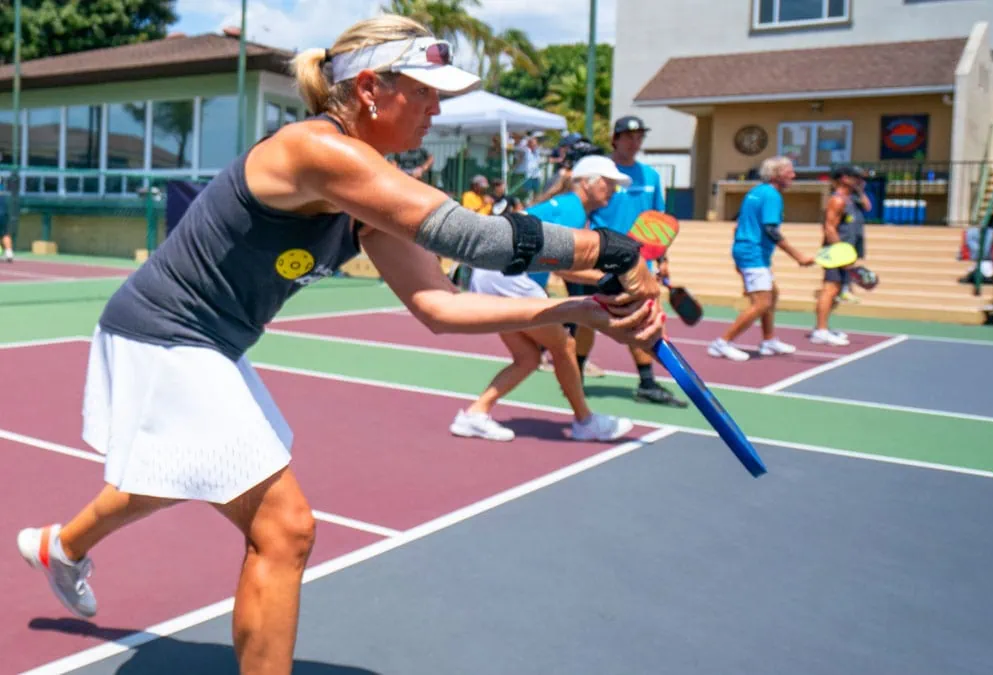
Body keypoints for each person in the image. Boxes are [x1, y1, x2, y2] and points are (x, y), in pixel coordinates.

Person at [15, 15, 663, 675]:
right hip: (165, 332)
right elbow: (476, 238)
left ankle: (59, 546)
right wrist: (615, 252)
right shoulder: (317, 150)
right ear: (373, 88)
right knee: (285, 529)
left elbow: (438, 304)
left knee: (189, 469)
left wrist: (580, 306)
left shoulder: (367, 187)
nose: (438, 109)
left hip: (208, 341)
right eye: (427, 90)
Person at [453, 155, 636, 441]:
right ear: (587, 183)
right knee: (564, 344)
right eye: (609, 183)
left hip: (492, 274)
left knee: (527, 357)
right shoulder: (572, 210)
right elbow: (563, 267)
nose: (613, 190)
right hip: (509, 277)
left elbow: (561, 265)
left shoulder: (567, 207)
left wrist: (604, 278)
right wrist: (607, 279)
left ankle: (475, 414)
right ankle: (585, 421)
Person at [584, 115, 686, 407]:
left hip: (640, 263)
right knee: (585, 320)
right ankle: (575, 374)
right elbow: (586, 211)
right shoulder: (601, 172)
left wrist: (663, 258)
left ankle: (647, 382)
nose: (635, 141)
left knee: (643, 319)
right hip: (601, 255)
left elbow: (659, 222)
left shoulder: (651, 177)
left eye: (639, 136)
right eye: (629, 136)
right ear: (615, 138)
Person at [707, 157, 814, 361]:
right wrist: (798, 256)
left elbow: (738, 225)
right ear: (776, 175)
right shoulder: (772, 195)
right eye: (789, 171)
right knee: (762, 303)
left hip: (747, 250)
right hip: (753, 253)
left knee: (771, 294)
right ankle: (722, 343)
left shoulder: (755, 192)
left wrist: (740, 256)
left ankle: (768, 341)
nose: (793, 175)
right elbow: (771, 230)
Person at [813, 165, 869, 347]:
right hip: (836, 251)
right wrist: (841, 254)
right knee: (830, 289)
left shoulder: (852, 198)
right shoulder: (837, 200)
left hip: (848, 249)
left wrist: (860, 190)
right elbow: (829, 227)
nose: (859, 180)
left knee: (837, 291)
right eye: (855, 177)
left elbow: (868, 207)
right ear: (844, 178)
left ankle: (823, 328)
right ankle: (820, 331)